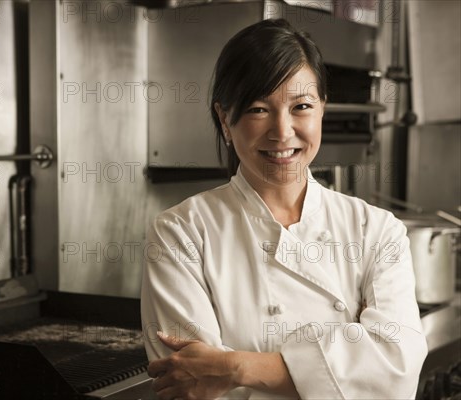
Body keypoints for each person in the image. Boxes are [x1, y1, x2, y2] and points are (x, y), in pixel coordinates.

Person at [140, 18, 428, 399]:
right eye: (259, 109)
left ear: (322, 110)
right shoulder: (181, 232)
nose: (282, 131)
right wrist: (349, 364)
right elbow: (192, 386)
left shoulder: (376, 230)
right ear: (226, 119)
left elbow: (396, 372)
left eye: (301, 106)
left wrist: (236, 367)